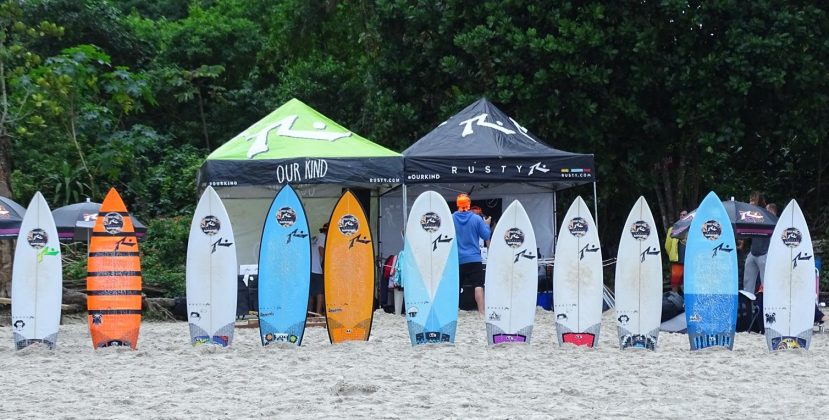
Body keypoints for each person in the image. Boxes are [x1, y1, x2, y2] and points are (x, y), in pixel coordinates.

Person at [452, 193, 491, 315]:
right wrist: (487, 225)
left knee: (455, 287)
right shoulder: (476, 219)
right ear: (469, 204)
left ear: (457, 204)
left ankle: (453, 312)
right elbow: (486, 236)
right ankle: (481, 312)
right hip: (474, 258)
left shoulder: (451, 218)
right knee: (478, 285)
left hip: (457, 259)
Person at [742, 191, 768, 294]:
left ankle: (766, 306)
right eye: (750, 200)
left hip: (764, 252)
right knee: (748, 281)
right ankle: (749, 305)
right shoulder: (751, 215)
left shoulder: (766, 215)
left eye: (753, 200)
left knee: (765, 282)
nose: (751, 203)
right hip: (753, 252)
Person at [664, 209, 688, 293]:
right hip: (677, 260)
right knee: (675, 282)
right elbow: (667, 245)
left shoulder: (692, 228)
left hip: (689, 261)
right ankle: (675, 300)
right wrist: (672, 255)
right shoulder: (673, 228)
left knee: (688, 282)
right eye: (681, 215)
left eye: (685, 214)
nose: (682, 216)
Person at [309, 223, 327, 315]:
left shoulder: (314, 236)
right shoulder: (323, 237)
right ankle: (318, 313)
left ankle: (310, 313)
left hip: (308, 269)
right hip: (317, 269)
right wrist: (328, 263)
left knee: (311, 293)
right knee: (320, 292)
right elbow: (321, 249)